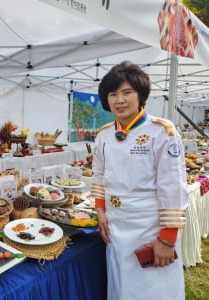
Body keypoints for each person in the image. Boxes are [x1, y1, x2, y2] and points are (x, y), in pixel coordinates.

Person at [91, 61, 189, 300]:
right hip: (116, 224)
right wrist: (101, 211)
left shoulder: (161, 131)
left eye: (127, 92)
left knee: (154, 289)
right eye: (113, 94)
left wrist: (167, 238)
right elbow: (100, 174)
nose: (119, 100)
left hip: (149, 226)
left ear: (140, 95)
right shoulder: (104, 134)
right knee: (121, 286)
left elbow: (173, 186)